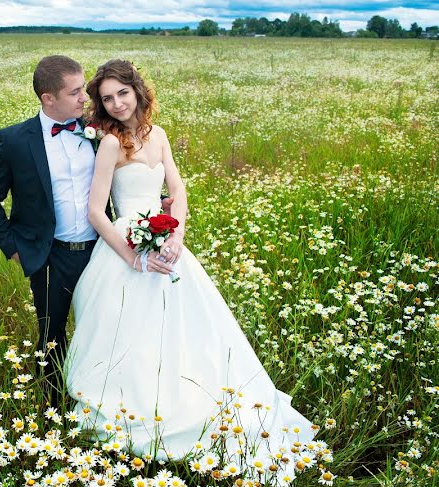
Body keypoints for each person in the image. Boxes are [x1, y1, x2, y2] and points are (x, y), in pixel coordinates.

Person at [65, 59, 314, 463]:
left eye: (122, 94)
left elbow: (177, 189)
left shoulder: (158, 135)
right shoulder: (109, 143)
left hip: (165, 239)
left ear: (138, 92)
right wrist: (134, 259)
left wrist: (175, 234)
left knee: (189, 330)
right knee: (131, 334)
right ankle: (138, 406)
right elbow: (97, 212)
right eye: (107, 98)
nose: (116, 104)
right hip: (127, 244)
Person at [0, 55, 99, 409]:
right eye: (76, 92)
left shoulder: (97, 130)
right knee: (52, 336)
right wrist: (12, 245)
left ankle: (99, 402)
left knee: (104, 330)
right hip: (50, 255)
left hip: (101, 251)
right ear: (49, 98)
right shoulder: (16, 140)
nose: (84, 98)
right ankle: (54, 409)